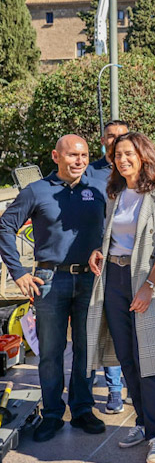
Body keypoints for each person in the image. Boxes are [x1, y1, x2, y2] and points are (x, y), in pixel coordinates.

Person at [0, 135, 107, 442]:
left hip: (90, 278)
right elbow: (5, 227)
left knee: (87, 349)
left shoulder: (96, 189)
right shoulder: (36, 191)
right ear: (56, 156)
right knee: (50, 352)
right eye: (73, 155)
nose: (79, 161)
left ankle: (84, 409)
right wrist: (18, 272)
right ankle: (51, 414)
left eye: (84, 155)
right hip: (49, 281)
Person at [86, 132, 155, 463]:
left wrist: (149, 286)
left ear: (143, 155)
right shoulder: (115, 192)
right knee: (127, 358)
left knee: (149, 361)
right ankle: (142, 423)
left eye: (129, 153)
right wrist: (100, 251)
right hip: (113, 278)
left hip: (145, 281)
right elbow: (114, 236)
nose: (122, 159)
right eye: (117, 154)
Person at [84, 120, 129, 413]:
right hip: (93, 260)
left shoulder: (131, 173)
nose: (114, 142)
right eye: (110, 136)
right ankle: (98, 392)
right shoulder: (89, 173)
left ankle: (123, 387)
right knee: (96, 330)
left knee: (120, 330)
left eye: (120, 137)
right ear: (102, 140)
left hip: (121, 262)